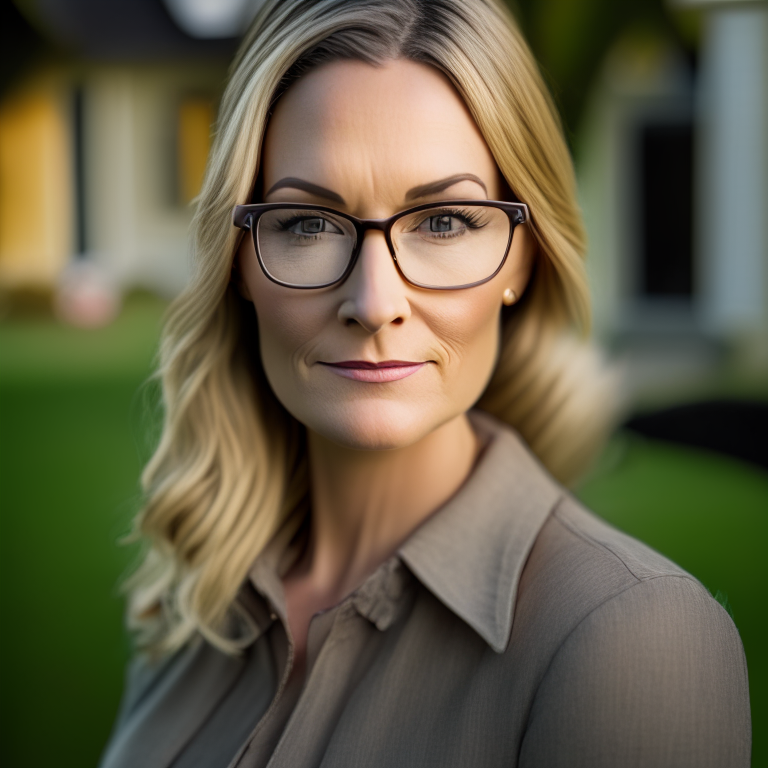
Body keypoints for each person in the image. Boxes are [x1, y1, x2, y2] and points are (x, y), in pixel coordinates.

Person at [99, 1, 751, 766]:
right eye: (307, 224)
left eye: (443, 222)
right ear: (238, 261)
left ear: (522, 259)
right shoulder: (197, 609)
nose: (375, 304)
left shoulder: (634, 639)